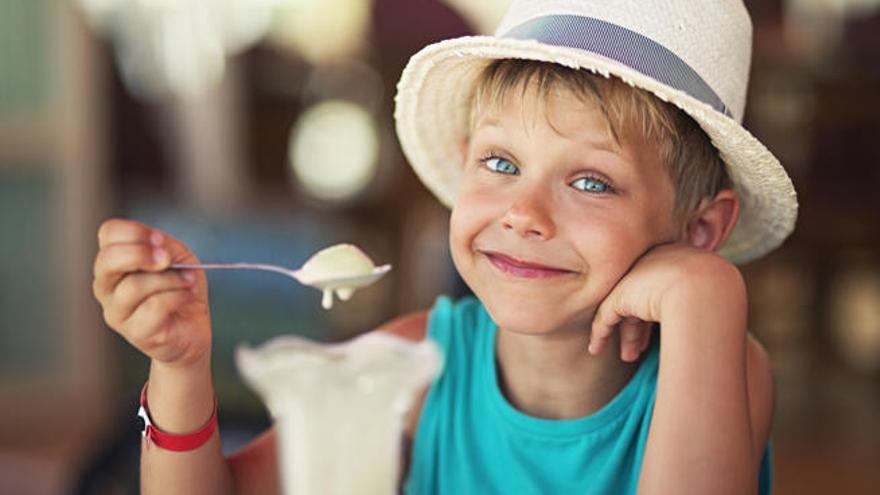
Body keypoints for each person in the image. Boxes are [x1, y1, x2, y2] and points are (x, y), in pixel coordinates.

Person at [91, 0, 798, 493]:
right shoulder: (413, 368)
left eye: (591, 181)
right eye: (499, 163)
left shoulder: (722, 362)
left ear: (698, 230)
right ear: (462, 163)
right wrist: (181, 367)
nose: (523, 213)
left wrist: (706, 289)